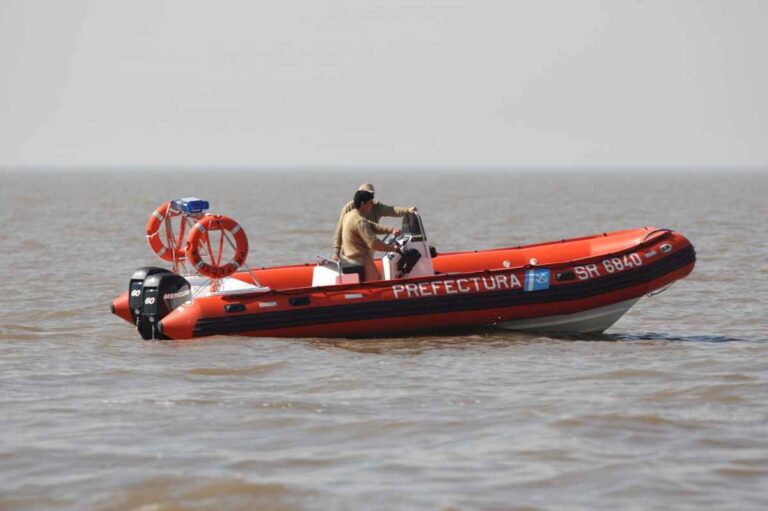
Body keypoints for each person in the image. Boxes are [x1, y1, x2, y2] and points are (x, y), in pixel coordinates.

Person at [332, 184, 416, 262]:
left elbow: (391, 210)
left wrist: (407, 210)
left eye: (371, 196)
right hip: (352, 249)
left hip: (368, 247)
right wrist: (336, 252)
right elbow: (340, 229)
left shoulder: (376, 206)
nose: (370, 198)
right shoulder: (350, 208)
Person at [341, 190, 400, 282]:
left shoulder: (349, 215)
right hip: (360, 260)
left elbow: (371, 226)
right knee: (376, 281)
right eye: (370, 203)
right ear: (362, 204)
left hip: (347, 258)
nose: (372, 206)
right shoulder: (360, 221)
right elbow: (373, 243)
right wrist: (393, 248)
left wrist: (390, 230)